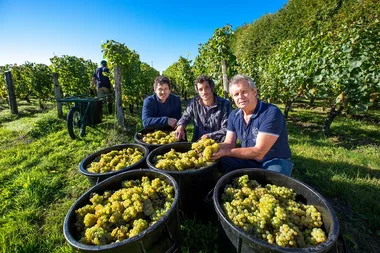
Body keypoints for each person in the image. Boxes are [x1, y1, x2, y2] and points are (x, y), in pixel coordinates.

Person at [212, 74, 293, 176]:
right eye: (236, 94)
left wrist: (225, 152)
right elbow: (229, 143)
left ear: (254, 92)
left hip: (273, 160)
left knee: (272, 180)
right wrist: (210, 147)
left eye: (244, 92)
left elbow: (259, 152)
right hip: (249, 157)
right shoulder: (234, 115)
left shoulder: (271, 112)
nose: (240, 97)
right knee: (218, 162)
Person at [174, 75, 232, 142]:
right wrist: (180, 126)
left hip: (218, 144)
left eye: (206, 87)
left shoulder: (225, 104)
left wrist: (209, 136)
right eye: (200, 89)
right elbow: (185, 116)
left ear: (212, 88)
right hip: (197, 143)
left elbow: (226, 128)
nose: (204, 92)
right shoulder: (194, 102)